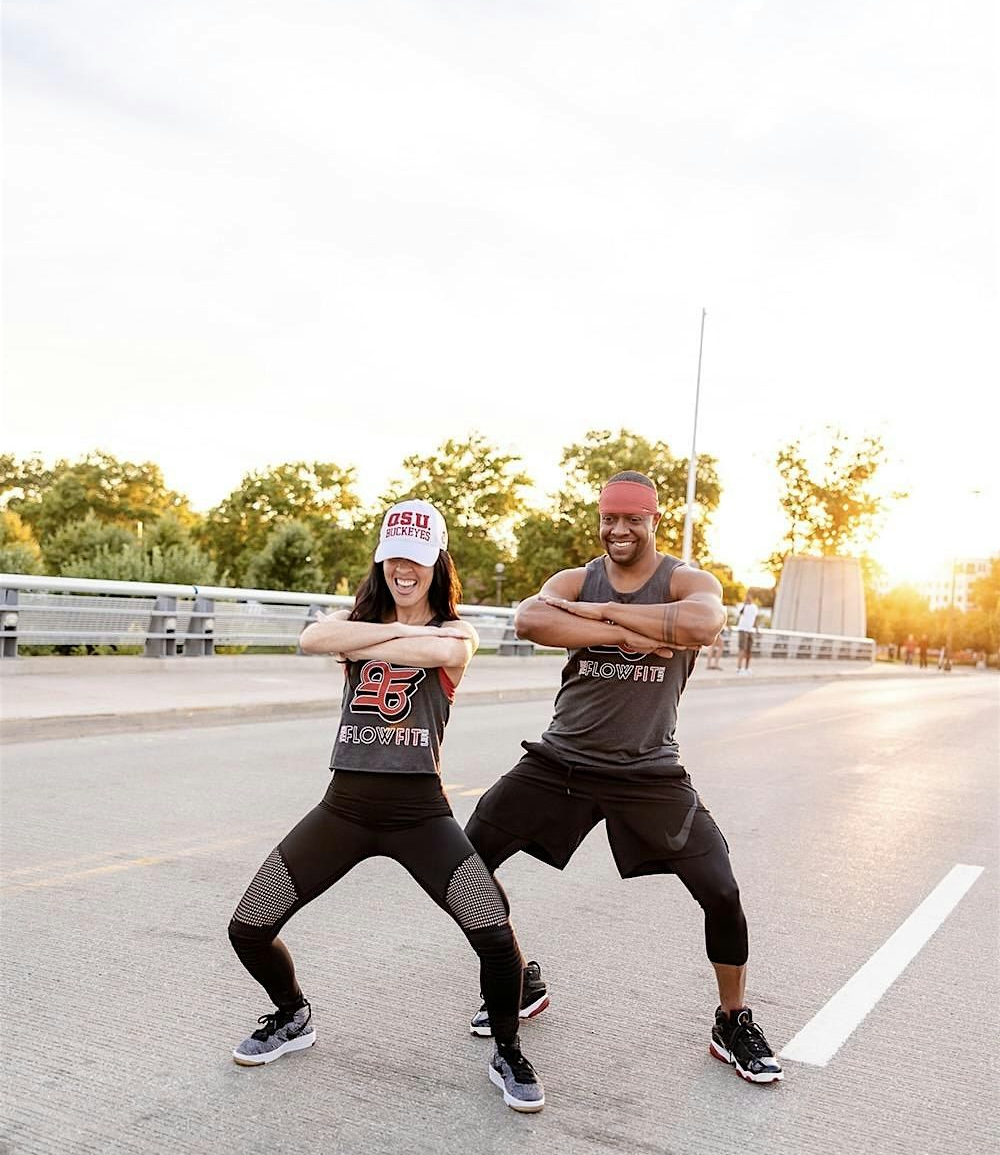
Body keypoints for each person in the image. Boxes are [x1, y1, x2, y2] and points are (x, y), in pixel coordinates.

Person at [463, 471, 783, 1084]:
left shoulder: (688, 580)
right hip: (562, 760)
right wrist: (631, 628)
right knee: (466, 862)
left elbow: (701, 625)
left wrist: (603, 614)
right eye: (610, 518)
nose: (618, 529)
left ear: (653, 521)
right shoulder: (575, 577)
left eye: (631, 519)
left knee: (721, 890)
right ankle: (520, 979)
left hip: (648, 769)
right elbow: (531, 621)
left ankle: (732, 1019)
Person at [226, 498, 544, 1113]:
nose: (405, 570)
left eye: (417, 560)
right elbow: (312, 637)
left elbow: (441, 653)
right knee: (249, 927)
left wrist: (367, 642)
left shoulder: (460, 631)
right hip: (343, 806)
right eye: (395, 557)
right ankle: (294, 1015)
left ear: (437, 565)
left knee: (494, 934)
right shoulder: (360, 623)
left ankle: (507, 1048)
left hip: (419, 813)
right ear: (381, 561)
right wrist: (387, 634)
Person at [734, 590, 759, 674]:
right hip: (742, 630)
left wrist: (756, 629)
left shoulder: (755, 607)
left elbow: (755, 619)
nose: (748, 598)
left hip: (750, 630)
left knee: (749, 650)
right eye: (747, 596)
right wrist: (745, 604)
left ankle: (747, 668)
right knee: (742, 649)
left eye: (750, 596)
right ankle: (739, 668)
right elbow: (740, 613)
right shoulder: (741, 605)